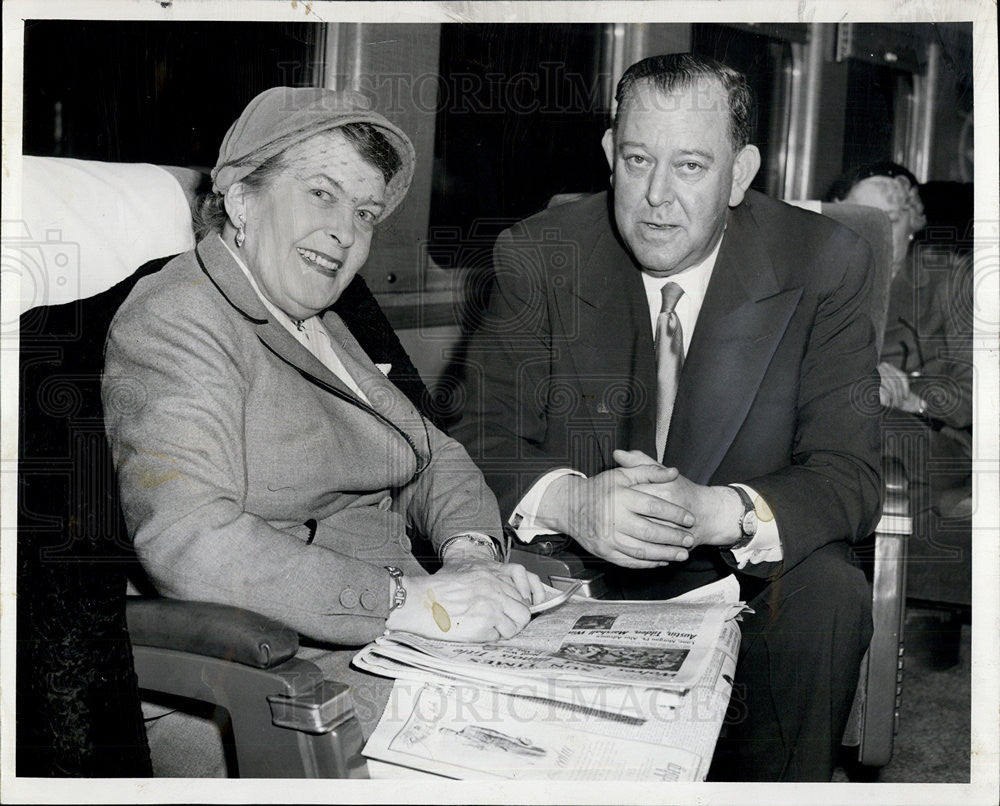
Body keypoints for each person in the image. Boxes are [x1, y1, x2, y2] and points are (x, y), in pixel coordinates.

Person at [453, 54, 880, 781]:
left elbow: (850, 473)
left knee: (832, 590)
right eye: (637, 159)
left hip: (741, 577)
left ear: (740, 174)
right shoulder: (539, 253)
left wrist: (716, 513)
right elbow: (475, 435)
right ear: (609, 156)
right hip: (571, 571)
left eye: (689, 166)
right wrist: (572, 501)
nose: (656, 198)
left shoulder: (824, 263)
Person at [102, 87, 545, 739]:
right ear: (242, 197)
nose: (346, 231)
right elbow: (191, 539)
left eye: (365, 212)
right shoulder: (178, 315)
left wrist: (471, 555)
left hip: (392, 643)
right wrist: (409, 601)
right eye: (321, 194)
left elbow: (431, 455)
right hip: (279, 682)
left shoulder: (322, 323)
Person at [828, 162, 973, 507]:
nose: (874, 233)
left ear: (913, 221)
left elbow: (976, 393)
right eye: (861, 217)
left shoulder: (950, 281)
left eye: (889, 220)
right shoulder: (819, 279)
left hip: (930, 437)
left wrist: (907, 396)